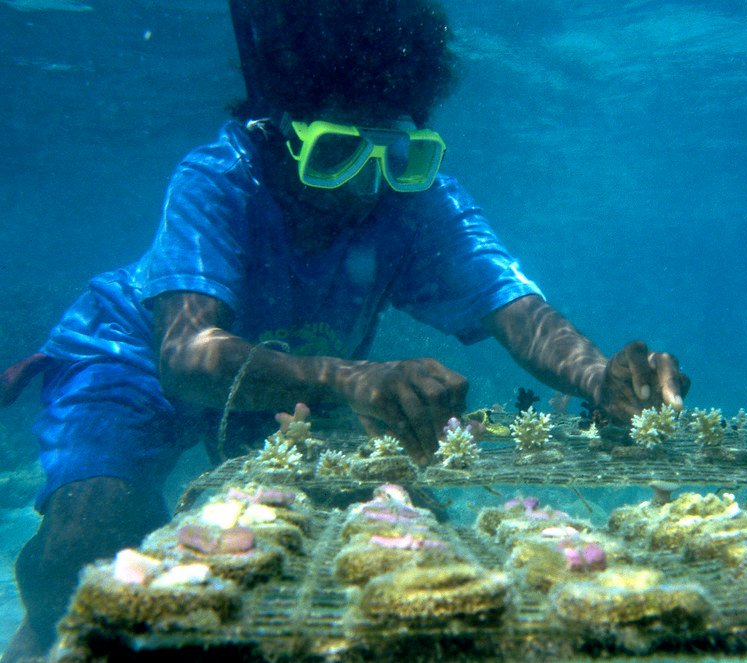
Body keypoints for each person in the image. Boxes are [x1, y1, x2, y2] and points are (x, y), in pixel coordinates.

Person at [0, 0, 689, 658]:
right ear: (276, 128)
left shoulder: (416, 201)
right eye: (335, 154)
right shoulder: (216, 180)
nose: (367, 184)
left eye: (394, 152)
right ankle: (36, 627)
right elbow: (185, 353)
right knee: (82, 549)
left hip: (286, 380)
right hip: (132, 358)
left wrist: (598, 374)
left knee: (375, 524)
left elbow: (513, 307)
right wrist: (348, 375)